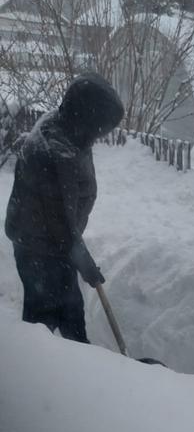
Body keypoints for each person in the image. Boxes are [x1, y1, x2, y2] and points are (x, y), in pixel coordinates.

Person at [5, 73, 124, 343]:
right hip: (40, 245)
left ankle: (74, 359)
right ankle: (46, 372)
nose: (101, 135)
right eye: (100, 127)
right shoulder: (56, 154)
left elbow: (62, 220)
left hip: (49, 241)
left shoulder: (67, 128)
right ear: (86, 118)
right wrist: (87, 266)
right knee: (44, 319)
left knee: (67, 311)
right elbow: (60, 222)